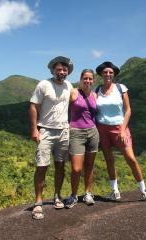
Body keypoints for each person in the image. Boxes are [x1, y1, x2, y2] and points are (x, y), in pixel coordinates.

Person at [95, 61, 146, 201]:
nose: (108, 74)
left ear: (114, 74)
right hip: (102, 128)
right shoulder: (97, 90)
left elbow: (128, 110)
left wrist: (122, 130)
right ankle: (115, 191)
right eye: (105, 72)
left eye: (110, 72)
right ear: (101, 74)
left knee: (131, 159)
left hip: (119, 128)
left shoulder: (121, 88)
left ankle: (143, 190)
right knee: (109, 160)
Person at [29, 56, 74, 220]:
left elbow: (80, 98)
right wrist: (35, 129)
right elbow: (33, 106)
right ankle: (39, 202)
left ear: (68, 72)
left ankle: (57, 196)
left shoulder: (69, 85)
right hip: (46, 131)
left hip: (63, 131)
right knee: (42, 166)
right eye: (59, 69)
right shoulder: (44, 84)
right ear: (53, 70)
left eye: (64, 69)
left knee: (60, 165)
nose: (62, 72)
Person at [65, 69, 99, 209]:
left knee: (90, 166)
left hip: (92, 132)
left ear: (93, 80)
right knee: (77, 168)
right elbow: (61, 107)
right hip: (76, 133)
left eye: (90, 79)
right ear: (80, 79)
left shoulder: (95, 95)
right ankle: (73, 195)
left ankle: (87, 193)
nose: (88, 81)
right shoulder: (73, 92)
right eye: (85, 78)